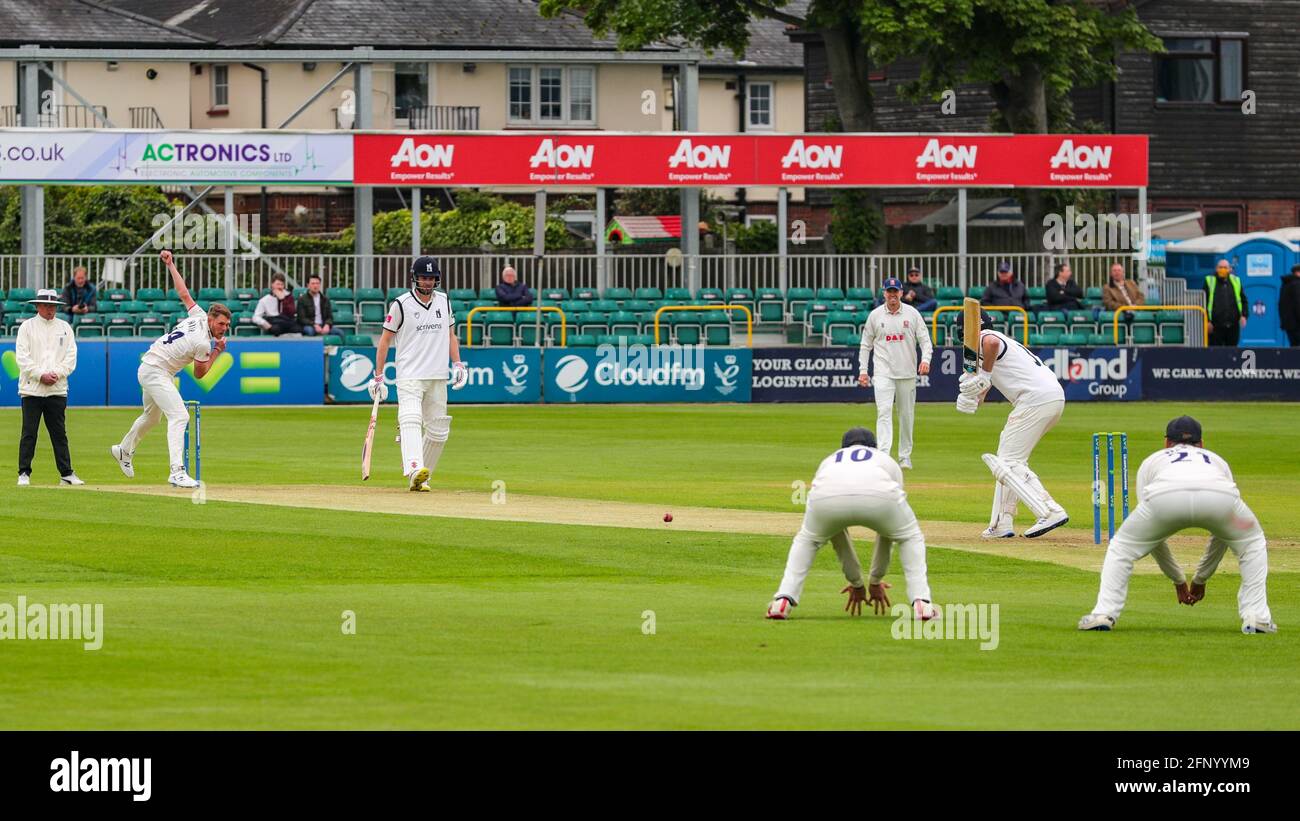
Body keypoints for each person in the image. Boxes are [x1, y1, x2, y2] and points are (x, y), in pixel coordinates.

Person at [1079, 416, 1275, 634]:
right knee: (1252, 543)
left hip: (1165, 496)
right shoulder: (1216, 460)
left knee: (1121, 548)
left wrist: (1178, 580)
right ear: (1201, 444)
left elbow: (1154, 539)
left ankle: (1103, 614)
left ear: (1166, 442)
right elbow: (1223, 535)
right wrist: (1201, 578)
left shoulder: (1154, 460)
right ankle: (1257, 618)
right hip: (1219, 496)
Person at [766, 427, 937, 622]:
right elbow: (888, 533)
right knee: (909, 537)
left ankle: (783, 600)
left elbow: (836, 535)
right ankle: (922, 603)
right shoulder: (884, 459)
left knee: (807, 540)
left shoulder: (830, 460)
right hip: (880, 497)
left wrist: (856, 582)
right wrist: (875, 580)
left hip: (826, 498)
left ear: (843, 448)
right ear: (875, 447)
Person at [111, 250, 231, 488]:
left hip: (151, 367)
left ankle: (124, 449)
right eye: (220, 324)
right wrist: (218, 351)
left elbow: (183, 293)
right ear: (210, 319)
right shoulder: (203, 343)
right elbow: (199, 374)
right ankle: (177, 471)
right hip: (155, 371)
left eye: (227, 325)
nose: (224, 328)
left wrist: (171, 265)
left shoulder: (197, 315)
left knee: (152, 417)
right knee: (180, 415)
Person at [956, 311, 1068, 538]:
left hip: (1035, 399)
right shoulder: (991, 348)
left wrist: (984, 375)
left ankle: (1050, 510)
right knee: (1007, 460)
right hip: (1050, 397)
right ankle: (1001, 523)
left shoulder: (986, 336)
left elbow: (991, 342)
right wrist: (972, 397)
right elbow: (983, 386)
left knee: (1008, 462)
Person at [371, 256, 469, 492]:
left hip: (437, 375)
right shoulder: (401, 304)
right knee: (411, 418)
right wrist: (378, 377)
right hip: (410, 375)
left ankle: (421, 479)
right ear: (415, 278)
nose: (427, 282)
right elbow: (384, 341)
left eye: (431, 278)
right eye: (424, 278)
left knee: (439, 430)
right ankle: (414, 468)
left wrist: (458, 364)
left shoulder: (444, 301)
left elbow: (450, 335)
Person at [857, 277, 933, 469]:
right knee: (883, 412)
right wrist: (863, 370)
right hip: (883, 372)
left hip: (907, 372)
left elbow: (925, 341)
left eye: (895, 291)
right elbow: (865, 345)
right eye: (889, 291)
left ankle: (904, 456)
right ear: (884, 293)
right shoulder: (875, 316)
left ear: (900, 293)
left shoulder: (912, 313)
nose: (892, 295)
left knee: (906, 415)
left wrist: (925, 360)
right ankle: (883, 456)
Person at [15, 289, 82, 487]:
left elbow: (71, 357)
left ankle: (66, 474)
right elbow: (22, 357)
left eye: (53, 306)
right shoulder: (27, 327)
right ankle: (24, 473)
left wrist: (57, 374)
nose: (50, 309)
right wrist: (40, 375)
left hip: (57, 389)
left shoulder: (64, 327)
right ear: (37, 306)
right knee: (29, 432)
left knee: (59, 433)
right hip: (32, 389)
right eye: (46, 305)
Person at [1204, 259, 1246, 346]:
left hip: (1233, 326)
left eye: (1225, 267)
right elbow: (1203, 302)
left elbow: (1243, 300)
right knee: (1215, 353)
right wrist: (1207, 321)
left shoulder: (1236, 281)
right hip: (1215, 326)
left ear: (1230, 269)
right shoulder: (1209, 281)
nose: (1223, 270)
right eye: (1220, 267)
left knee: (1232, 352)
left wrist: (1244, 315)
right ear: (1216, 269)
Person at [1279, 264, 1300, 347]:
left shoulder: (1286, 284)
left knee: (1294, 348)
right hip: (1297, 324)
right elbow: (1298, 304)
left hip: (1289, 324)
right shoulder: (1297, 284)